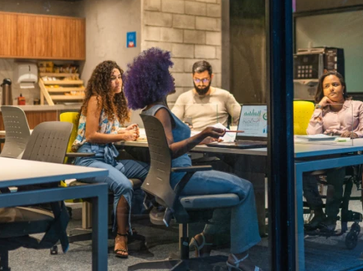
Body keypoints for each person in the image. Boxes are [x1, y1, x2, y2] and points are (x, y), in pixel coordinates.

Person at [124, 48, 262, 271]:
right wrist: (202, 134)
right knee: (244, 187)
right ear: (158, 80)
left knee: (230, 186)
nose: (173, 78)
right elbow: (170, 150)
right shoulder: (161, 112)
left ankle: (204, 239)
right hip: (181, 178)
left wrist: (199, 139)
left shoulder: (151, 109)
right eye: (168, 74)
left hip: (169, 180)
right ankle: (239, 257)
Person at [72, 60, 149, 258]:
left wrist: (124, 130)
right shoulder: (96, 99)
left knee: (150, 170)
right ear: (103, 82)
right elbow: (91, 135)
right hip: (89, 159)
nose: (117, 82)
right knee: (124, 185)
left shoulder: (111, 102)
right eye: (112, 78)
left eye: (119, 77)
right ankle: (121, 236)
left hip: (108, 158)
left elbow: (107, 131)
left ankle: (152, 211)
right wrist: (122, 136)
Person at [303, 71, 363, 233]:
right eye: (326, 86)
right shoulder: (323, 110)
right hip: (325, 154)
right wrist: (319, 107)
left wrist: (354, 134)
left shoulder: (358, 106)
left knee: (336, 167)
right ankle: (318, 213)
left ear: (343, 87)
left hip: (350, 156)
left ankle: (331, 217)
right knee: (302, 170)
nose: (331, 89)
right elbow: (312, 134)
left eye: (335, 84)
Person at [172, 60, 242, 131]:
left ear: (211, 77)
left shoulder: (224, 96)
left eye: (205, 80)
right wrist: (183, 126)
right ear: (192, 77)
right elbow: (172, 122)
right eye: (197, 80)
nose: (201, 84)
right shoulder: (184, 98)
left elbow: (241, 118)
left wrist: (233, 132)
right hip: (195, 139)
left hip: (218, 139)